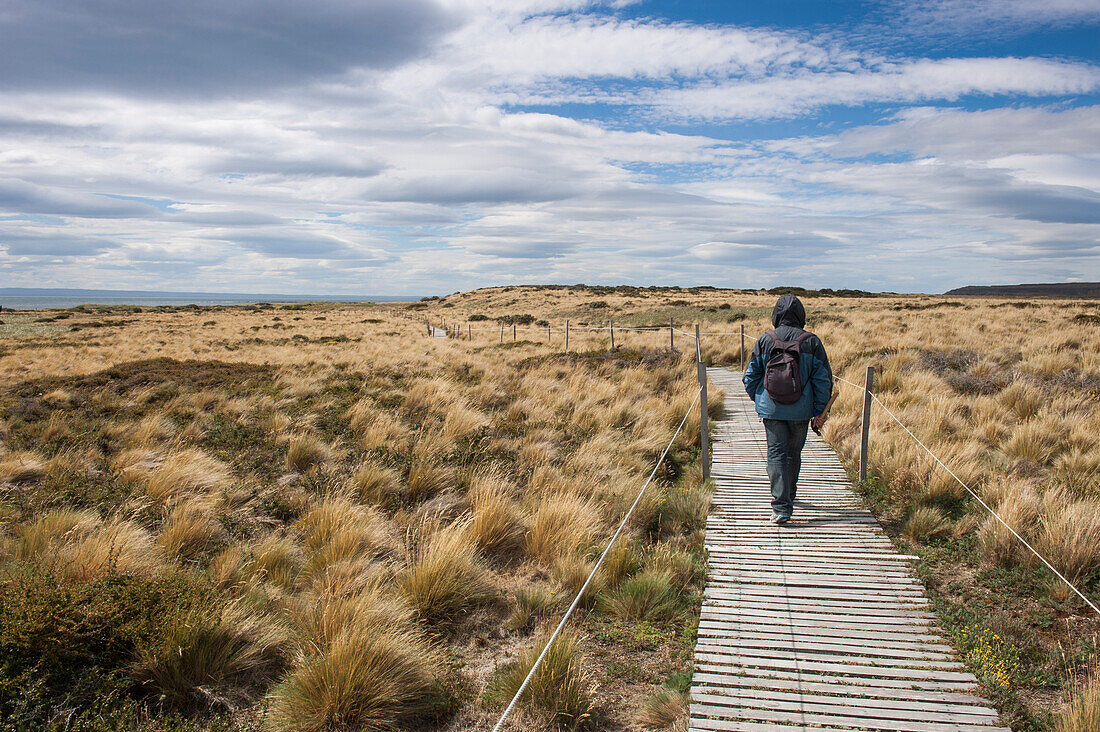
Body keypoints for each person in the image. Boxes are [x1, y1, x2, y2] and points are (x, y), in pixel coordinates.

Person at [742, 295, 833, 524]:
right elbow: (823, 380)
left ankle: (781, 506)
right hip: (801, 411)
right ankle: (788, 500)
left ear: (776, 315)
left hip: (772, 410)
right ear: (801, 315)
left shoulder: (765, 340)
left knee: (776, 453)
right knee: (793, 454)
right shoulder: (811, 342)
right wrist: (819, 411)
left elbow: (750, 377)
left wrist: (762, 399)